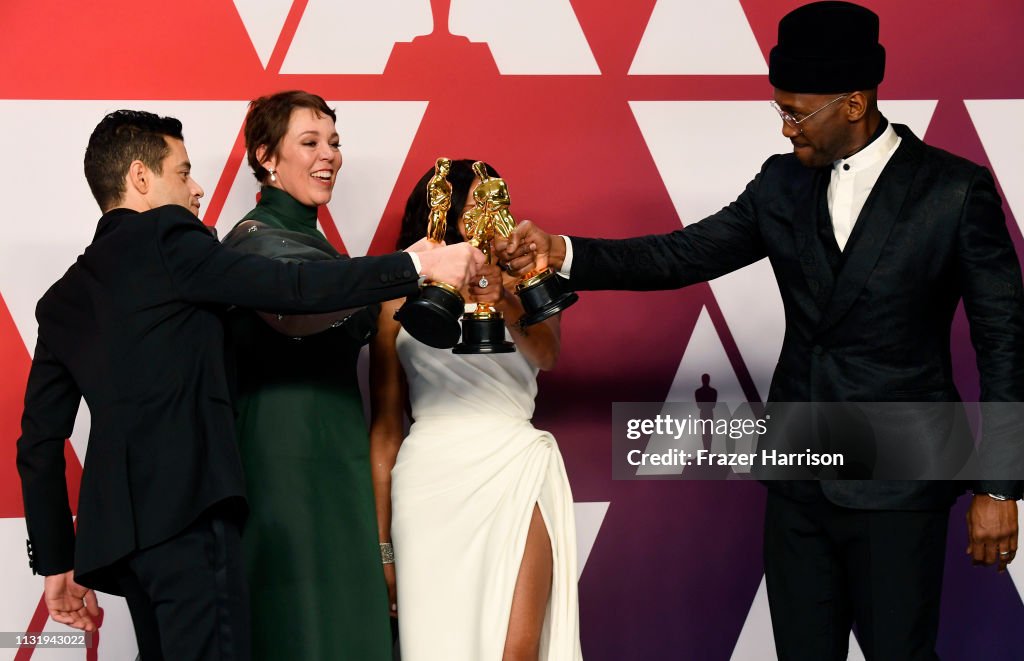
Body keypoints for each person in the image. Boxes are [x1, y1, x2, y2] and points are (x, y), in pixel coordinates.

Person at [500, 2, 1023, 659]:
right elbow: (680, 255)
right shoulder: (780, 184)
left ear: (855, 102)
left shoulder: (954, 191)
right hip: (798, 475)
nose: (785, 129)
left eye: (797, 112)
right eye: (778, 109)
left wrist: (999, 483)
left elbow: (1004, 340)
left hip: (901, 478)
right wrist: (563, 250)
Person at [15, 109, 483, 660]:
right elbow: (291, 285)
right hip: (191, 519)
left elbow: (39, 444)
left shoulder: (63, 297)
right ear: (141, 178)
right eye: (182, 171)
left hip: (121, 541)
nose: (197, 187)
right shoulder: (170, 239)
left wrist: (55, 560)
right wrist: (412, 265)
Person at [371, 159, 583, 660]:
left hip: (514, 465)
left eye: (498, 206)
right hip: (429, 482)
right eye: (475, 208)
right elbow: (384, 431)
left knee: (518, 650)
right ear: (440, 214)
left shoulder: (527, 283)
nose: (489, 218)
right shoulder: (396, 301)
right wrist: (382, 549)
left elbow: (547, 355)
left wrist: (502, 295)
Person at [219, 90, 392, 660]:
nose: (330, 156)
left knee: (344, 623)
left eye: (335, 142)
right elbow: (298, 306)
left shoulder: (317, 244)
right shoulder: (253, 240)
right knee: (299, 624)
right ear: (267, 157)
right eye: (311, 142)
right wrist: (405, 273)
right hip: (283, 461)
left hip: (335, 453)